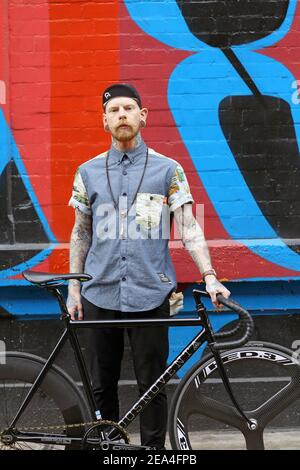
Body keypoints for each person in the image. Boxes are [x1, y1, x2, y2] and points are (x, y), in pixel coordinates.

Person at [67, 83, 230, 449]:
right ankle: (107, 451)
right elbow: (80, 232)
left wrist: (210, 275)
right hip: (99, 293)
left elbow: (188, 226)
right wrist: (74, 288)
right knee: (100, 387)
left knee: (152, 386)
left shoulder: (168, 170)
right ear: (104, 121)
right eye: (114, 110)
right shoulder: (88, 172)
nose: (121, 114)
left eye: (129, 108)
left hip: (150, 294)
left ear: (143, 116)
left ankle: (153, 452)